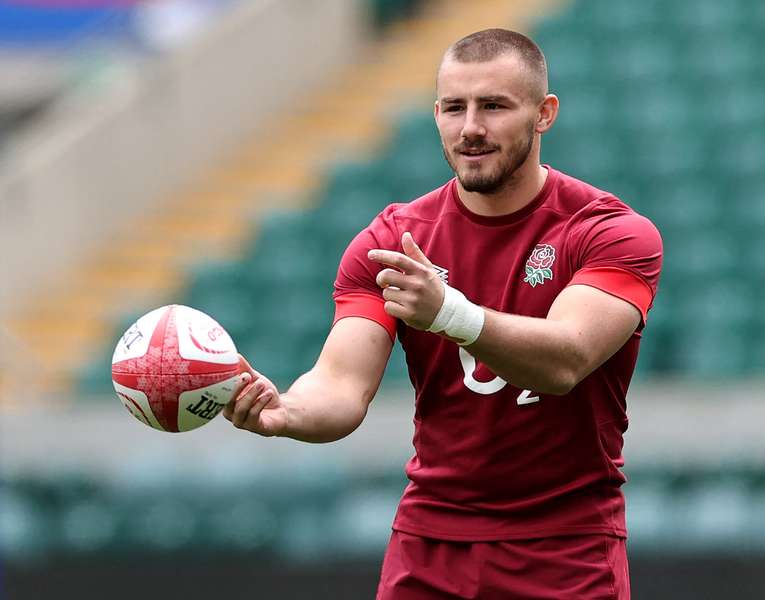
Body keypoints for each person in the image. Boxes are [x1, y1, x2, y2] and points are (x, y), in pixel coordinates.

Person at [224, 28, 662, 600]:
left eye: (494, 106)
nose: (471, 128)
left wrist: (450, 313)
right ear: (435, 114)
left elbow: (566, 358)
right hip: (430, 552)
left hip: (565, 552)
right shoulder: (390, 240)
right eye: (454, 107)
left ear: (544, 113)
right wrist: (285, 410)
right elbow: (340, 385)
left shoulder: (610, 233)